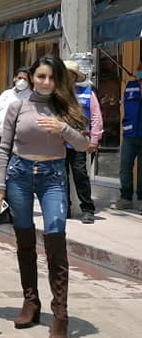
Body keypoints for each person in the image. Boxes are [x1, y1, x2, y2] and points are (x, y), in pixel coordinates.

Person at [0, 55, 90, 338]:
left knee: (55, 238)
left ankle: (60, 314)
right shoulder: (16, 106)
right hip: (19, 174)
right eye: (41, 76)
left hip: (53, 177)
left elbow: (84, 144)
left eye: (51, 78)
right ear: (31, 77)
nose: (46, 82)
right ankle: (30, 302)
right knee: (24, 241)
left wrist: (63, 129)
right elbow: (4, 148)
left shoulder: (66, 107)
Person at [63, 60, 102, 223]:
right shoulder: (55, 96)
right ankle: (64, 209)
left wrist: (94, 140)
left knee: (80, 175)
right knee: (60, 177)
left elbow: (96, 117)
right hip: (58, 144)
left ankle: (87, 209)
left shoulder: (88, 93)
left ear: (74, 77)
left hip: (79, 142)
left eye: (70, 75)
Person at [115, 60, 142, 210]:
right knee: (125, 167)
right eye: (139, 69)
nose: (139, 72)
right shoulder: (130, 86)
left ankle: (141, 198)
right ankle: (126, 197)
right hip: (130, 133)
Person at [0, 68, 31, 146]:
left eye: (25, 79)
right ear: (14, 78)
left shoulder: (30, 97)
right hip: (1, 137)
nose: (22, 81)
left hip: (18, 139)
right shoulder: (6, 94)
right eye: (20, 78)